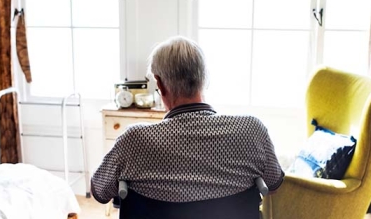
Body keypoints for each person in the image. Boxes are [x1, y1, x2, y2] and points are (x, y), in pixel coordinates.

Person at [91, 36, 284, 204]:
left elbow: (99, 191)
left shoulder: (134, 140)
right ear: (205, 79)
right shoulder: (252, 130)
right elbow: (274, 184)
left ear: (160, 84)